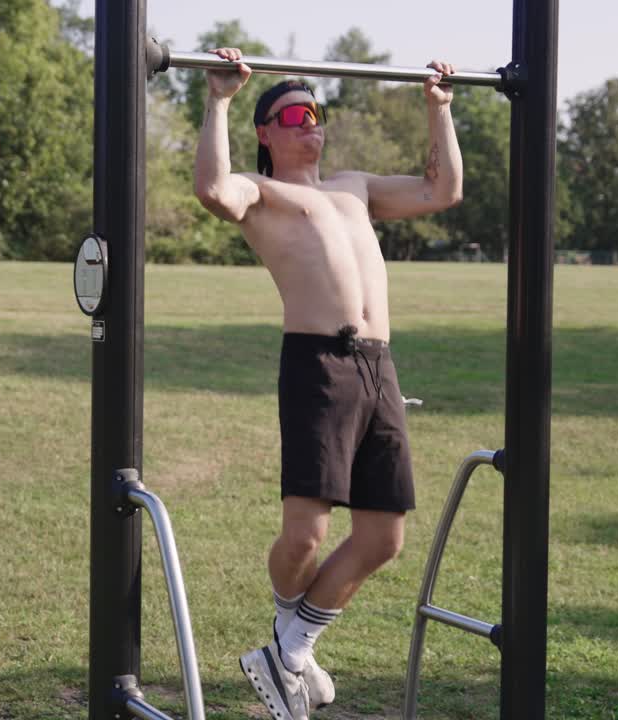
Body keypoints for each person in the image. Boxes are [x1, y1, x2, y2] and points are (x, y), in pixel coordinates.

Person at [192, 47, 464, 720]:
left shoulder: (354, 186)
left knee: (384, 537)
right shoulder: (265, 195)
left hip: (380, 367)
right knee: (307, 535)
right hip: (318, 364)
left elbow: (443, 191)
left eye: (316, 111)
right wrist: (219, 100)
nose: (309, 122)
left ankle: (288, 651)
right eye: (291, 113)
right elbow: (211, 190)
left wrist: (440, 111)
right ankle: (291, 649)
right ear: (266, 131)